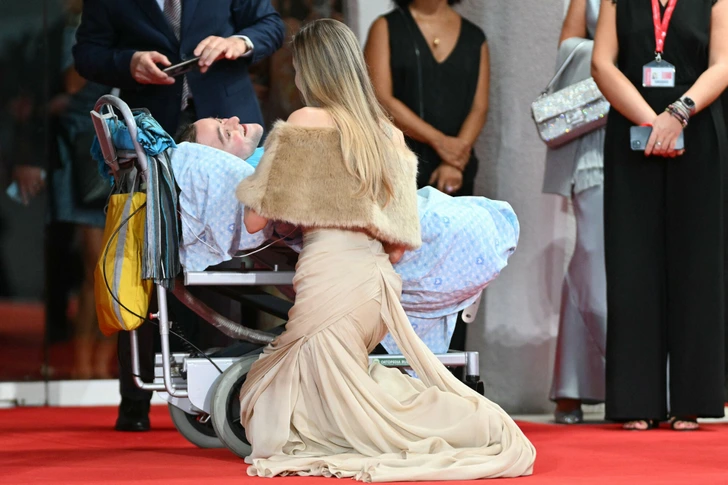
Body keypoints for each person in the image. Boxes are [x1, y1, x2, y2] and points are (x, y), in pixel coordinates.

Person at [234, 19, 535, 480]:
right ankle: (460, 420)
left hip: (328, 282)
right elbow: (399, 245)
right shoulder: (389, 135)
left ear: (310, 71)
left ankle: (468, 425)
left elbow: (256, 220)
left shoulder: (304, 121)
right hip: (375, 292)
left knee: (273, 402)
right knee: (313, 391)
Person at [73, 0, 285, 432]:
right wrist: (127, 61)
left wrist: (237, 42)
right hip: (151, 135)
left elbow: (270, 26)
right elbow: (86, 53)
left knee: (230, 263)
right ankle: (135, 397)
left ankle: (228, 389)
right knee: (146, 258)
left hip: (228, 126)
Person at [592, 0, 728, 430]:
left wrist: (678, 113)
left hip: (699, 133)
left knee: (698, 267)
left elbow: (723, 64)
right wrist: (652, 122)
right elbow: (602, 64)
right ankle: (636, 400)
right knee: (632, 263)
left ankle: (692, 400)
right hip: (634, 135)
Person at [544, 0, 606, 425]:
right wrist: (614, 58)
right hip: (600, 137)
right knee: (591, 257)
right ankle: (575, 384)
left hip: (656, 132)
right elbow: (567, 47)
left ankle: (651, 384)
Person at [364, 0, 489, 198]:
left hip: (455, 173)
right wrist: (440, 142)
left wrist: (453, 162)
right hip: (398, 167)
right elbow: (380, 99)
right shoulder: (385, 27)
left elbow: (479, 108)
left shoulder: (475, 37)